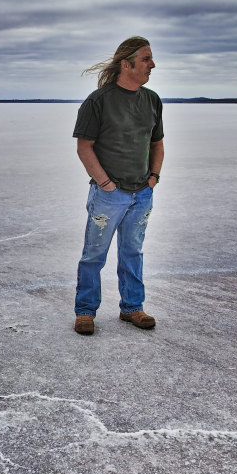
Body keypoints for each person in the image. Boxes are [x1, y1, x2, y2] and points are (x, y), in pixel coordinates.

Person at [72, 36, 164, 335]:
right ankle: (86, 311)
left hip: (142, 194)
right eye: (146, 59)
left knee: (132, 252)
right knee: (94, 255)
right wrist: (107, 185)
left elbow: (157, 144)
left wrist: (153, 179)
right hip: (109, 196)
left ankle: (133, 308)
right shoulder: (98, 101)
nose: (152, 64)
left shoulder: (151, 99)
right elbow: (85, 147)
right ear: (127, 64)